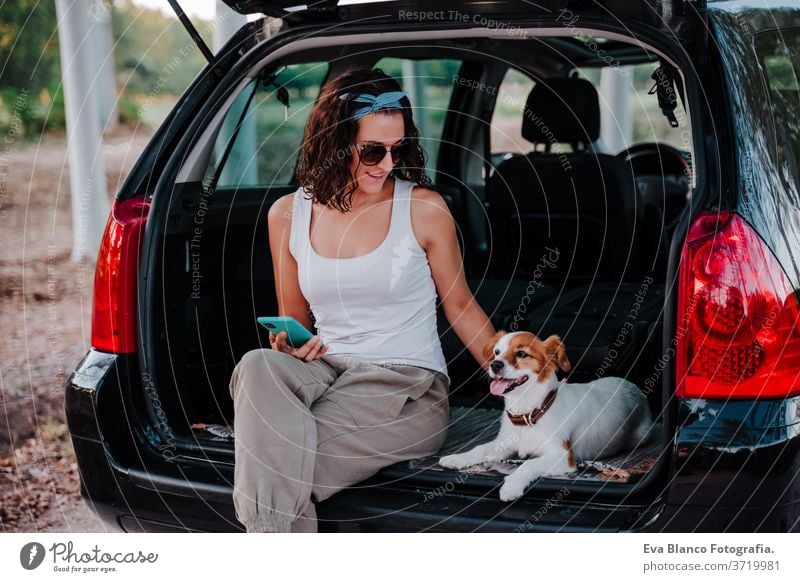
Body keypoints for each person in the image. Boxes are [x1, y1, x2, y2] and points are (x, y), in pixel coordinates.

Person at [228, 65, 496, 532]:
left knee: (276, 460)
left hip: (405, 388)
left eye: (398, 149)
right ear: (334, 142)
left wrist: (526, 383)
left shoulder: (424, 208)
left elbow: (461, 307)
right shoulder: (287, 214)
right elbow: (294, 321)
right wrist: (291, 344)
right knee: (256, 366)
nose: (387, 163)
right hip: (326, 371)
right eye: (372, 150)